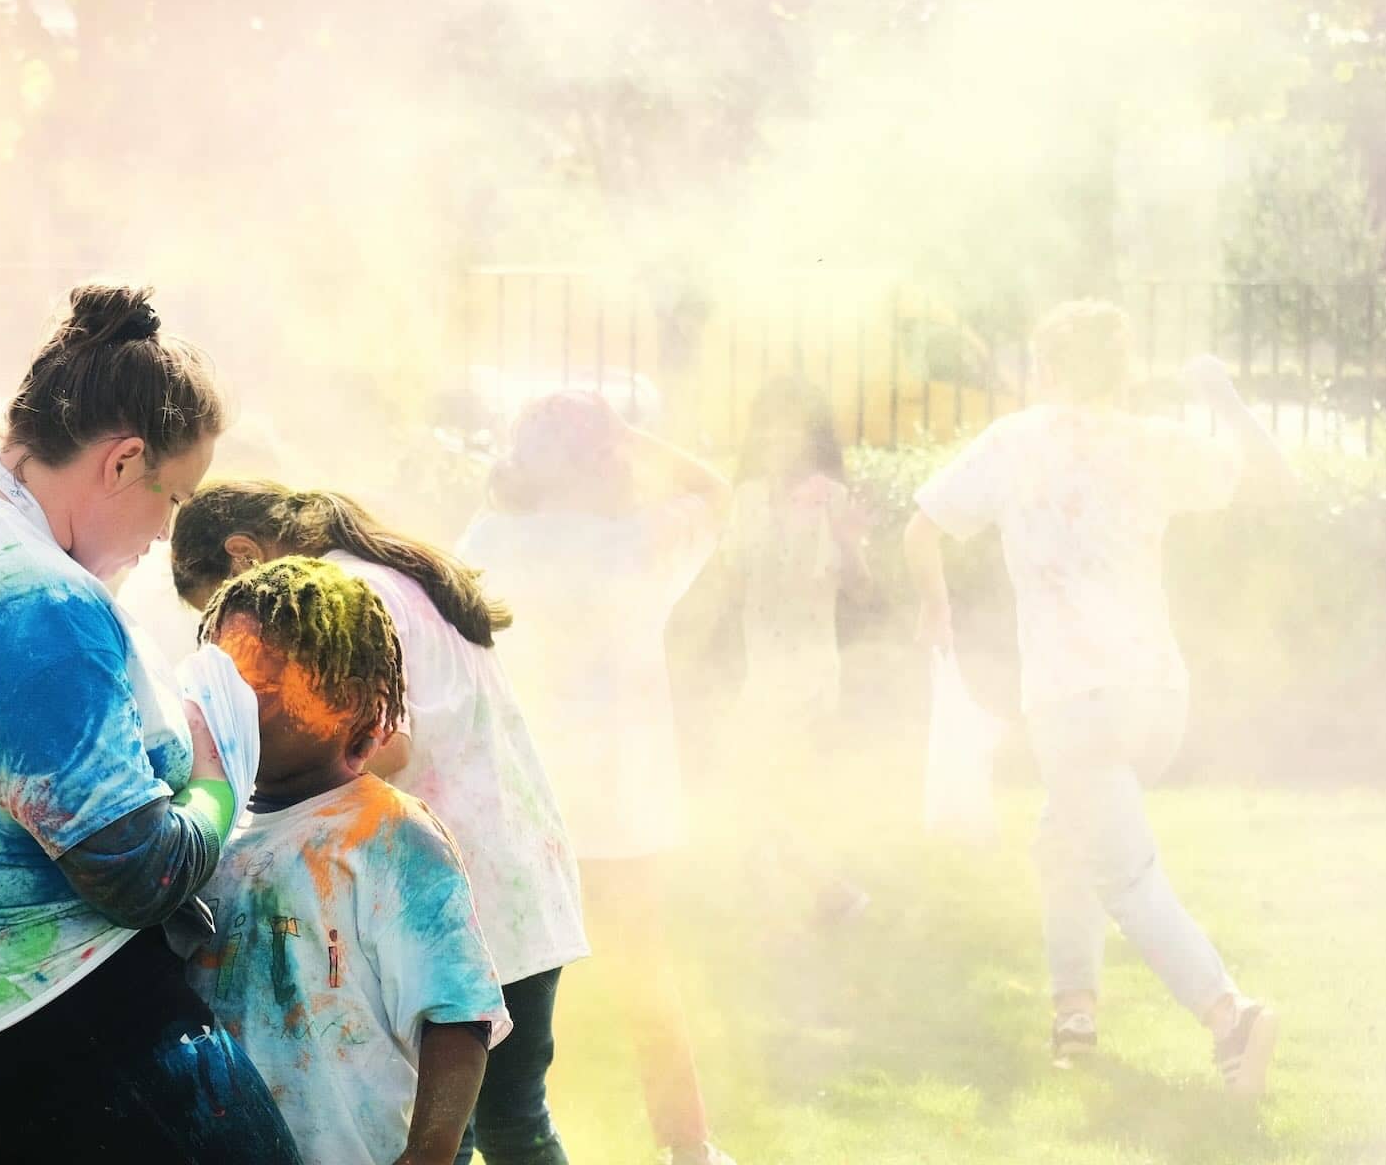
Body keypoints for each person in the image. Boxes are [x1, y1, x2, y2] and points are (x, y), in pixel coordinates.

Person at [0, 283, 301, 1162]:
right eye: (176, 499)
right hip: (56, 1021)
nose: (169, 536)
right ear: (124, 462)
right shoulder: (37, 602)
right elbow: (139, 872)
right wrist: (216, 772)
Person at [903, 299, 1292, 1095]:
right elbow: (1275, 482)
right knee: (1061, 841)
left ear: (1046, 370)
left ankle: (1232, 1020)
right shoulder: (1149, 444)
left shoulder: (1017, 441)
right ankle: (1074, 1012)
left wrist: (934, 608)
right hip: (1157, 699)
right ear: (1122, 372)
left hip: (1072, 703)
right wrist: (1223, 397)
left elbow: (922, 525)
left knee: (1126, 877)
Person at [172, 481, 588, 1165]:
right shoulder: (384, 576)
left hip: (431, 891)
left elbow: (386, 738)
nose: (235, 691)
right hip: (501, 885)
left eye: (247, 673)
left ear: (245, 557)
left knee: (480, 1123)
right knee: (513, 1120)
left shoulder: (334, 601)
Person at [459, 391, 737, 1165]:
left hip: (513, 800)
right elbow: (717, 491)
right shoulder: (637, 542)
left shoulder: (486, 539)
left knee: (490, 988)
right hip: (622, 803)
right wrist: (633, 435)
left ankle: (474, 1136)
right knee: (646, 979)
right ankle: (689, 1148)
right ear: (607, 462)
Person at [190, 555, 511, 1165]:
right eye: (225, 683)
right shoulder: (203, 826)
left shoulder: (389, 837)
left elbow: (457, 1017)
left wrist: (427, 1154)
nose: (239, 703)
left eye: (265, 685)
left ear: (352, 702)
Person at [722, 377, 873, 921]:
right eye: (770, 426)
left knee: (749, 786)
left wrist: (848, 541)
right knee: (757, 790)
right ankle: (791, 898)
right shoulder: (747, 499)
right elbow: (734, 581)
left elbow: (859, 588)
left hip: (808, 669)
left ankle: (828, 891)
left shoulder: (833, 498)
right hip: (762, 667)